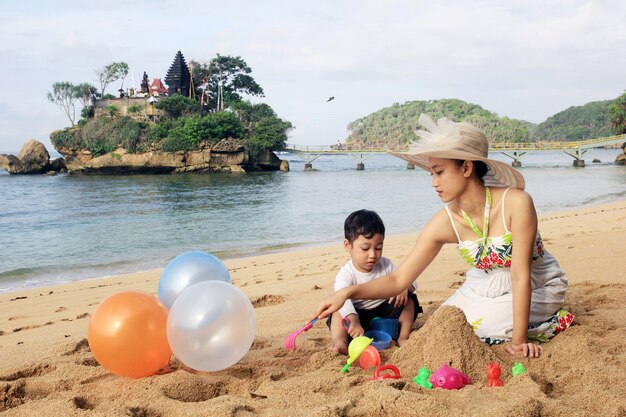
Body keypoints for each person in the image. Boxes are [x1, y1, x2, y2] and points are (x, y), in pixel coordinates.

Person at [314, 114, 573, 359]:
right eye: (431, 174)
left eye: (439, 172)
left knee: (482, 330)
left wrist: (519, 341)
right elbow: (398, 279)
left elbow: (520, 274)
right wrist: (347, 292)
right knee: (442, 325)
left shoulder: (516, 203)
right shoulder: (445, 221)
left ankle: (543, 320)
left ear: (467, 167)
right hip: (481, 285)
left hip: (534, 283)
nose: (434, 182)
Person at [328, 209, 422, 355]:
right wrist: (353, 320)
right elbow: (343, 301)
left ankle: (403, 337)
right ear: (348, 245)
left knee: (409, 299)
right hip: (358, 318)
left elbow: (412, 281)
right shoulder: (346, 274)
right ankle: (340, 343)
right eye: (365, 248)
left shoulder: (386, 265)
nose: (373, 254)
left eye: (378, 248)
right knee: (337, 310)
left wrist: (404, 287)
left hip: (385, 315)